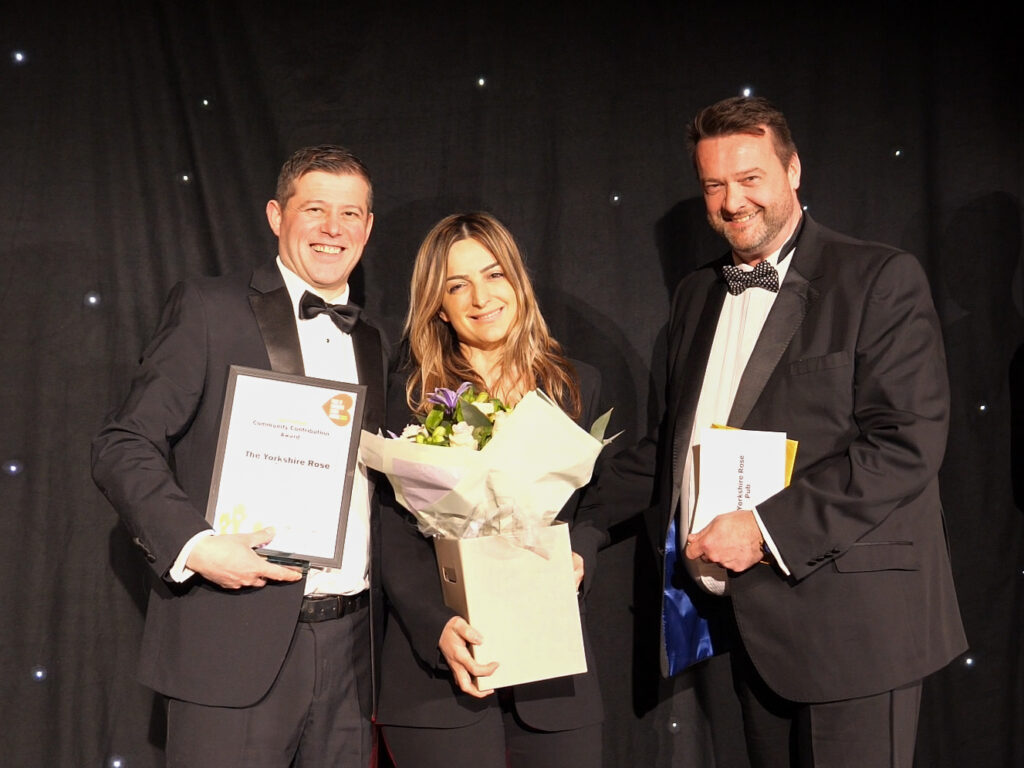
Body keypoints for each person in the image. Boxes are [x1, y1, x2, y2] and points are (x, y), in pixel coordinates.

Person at [583, 96, 968, 767]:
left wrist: (764, 530)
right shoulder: (697, 294)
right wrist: (553, 507)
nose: (733, 202)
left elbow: (905, 444)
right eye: (714, 185)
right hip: (750, 629)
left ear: (793, 171)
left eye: (750, 178)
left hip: (856, 630)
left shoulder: (878, 278)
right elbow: (672, 447)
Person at [91, 145, 387, 768]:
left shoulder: (375, 338)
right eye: (315, 209)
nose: (334, 228)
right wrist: (197, 546)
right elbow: (123, 443)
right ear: (277, 215)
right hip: (232, 633)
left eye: (351, 213)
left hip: (353, 651)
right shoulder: (209, 307)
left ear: (367, 227)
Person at [375, 212, 605, 768]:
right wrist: (438, 626)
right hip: (437, 675)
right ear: (438, 303)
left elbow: (598, 506)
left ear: (517, 282)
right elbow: (388, 528)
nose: (481, 297)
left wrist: (579, 556)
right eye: (458, 285)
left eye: (494, 275)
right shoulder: (405, 392)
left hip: (551, 672)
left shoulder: (576, 386)